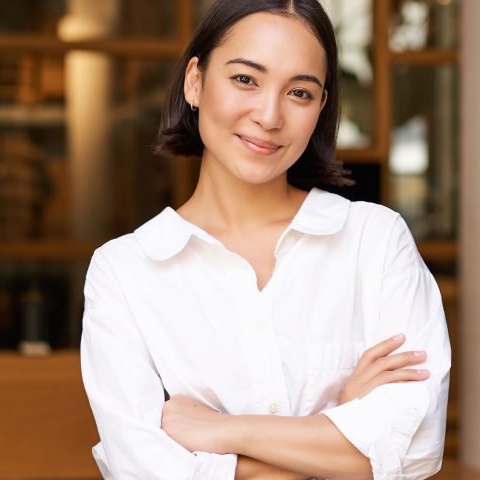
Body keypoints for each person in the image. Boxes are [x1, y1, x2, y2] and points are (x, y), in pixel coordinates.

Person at [79, 0, 451, 478]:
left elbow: (417, 449)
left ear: (320, 107)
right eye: (245, 80)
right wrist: (340, 426)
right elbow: (146, 470)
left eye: (299, 92)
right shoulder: (125, 272)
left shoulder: (374, 243)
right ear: (195, 81)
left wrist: (221, 433)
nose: (270, 115)